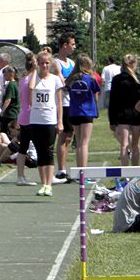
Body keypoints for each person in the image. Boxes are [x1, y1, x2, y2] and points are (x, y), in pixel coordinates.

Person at [27, 49, 63, 196]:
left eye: (47, 63)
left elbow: (59, 102)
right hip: (35, 119)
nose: (44, 66)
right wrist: (35, 69)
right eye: (42, 63)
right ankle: (43, 183)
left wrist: (60, 121)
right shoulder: (34, 78)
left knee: (48, 151)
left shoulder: (55, 80)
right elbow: (30, 89)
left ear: (51, 64)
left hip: (49, 119)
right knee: (39, 151)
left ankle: (49, 184)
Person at [109, 54, 140, 166]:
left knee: (124, 144)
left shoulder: (117, 79)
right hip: (137, 114)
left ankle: (125, 173)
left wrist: (112, 120)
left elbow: (113, 101)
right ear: (133, 64)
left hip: (122, 115)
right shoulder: (139, 78)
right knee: (135, 145)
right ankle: (135, 172)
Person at [65, 54, 100, 171]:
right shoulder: (90, 79)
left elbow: (67, 90)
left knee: (79, 142)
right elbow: (96, 95)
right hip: (87, 112)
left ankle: (79, 170)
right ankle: (83, 172)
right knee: (84, 143)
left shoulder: (71, 79)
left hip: (74, 112)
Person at [51, 33, 76, 181]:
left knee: (69, 138)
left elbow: (76, 79)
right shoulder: (56, 63)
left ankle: (63, 168)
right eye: (72, 44)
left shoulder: (72, 63)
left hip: (72, 103)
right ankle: (61, 169)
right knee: (63, 137)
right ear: (64, 45)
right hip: (62, 103)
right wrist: (70, 83)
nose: (74, 47)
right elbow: (64, 84)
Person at [16, 52, 38, 186]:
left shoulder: (23, 78)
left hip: (23, 115)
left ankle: (20, 176)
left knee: (23, 148)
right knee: (41, 146)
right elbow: (31, 88)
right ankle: (46, 174)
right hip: (30, 115)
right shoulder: (31, 76)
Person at [0, 66, 19, 136]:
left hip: (9, 113)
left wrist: (2, 111)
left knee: (4, 133)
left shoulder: (11, 85)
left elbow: (8, 99)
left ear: (11, 74)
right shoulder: (15, 83)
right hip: (14, 113)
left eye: (5, 74)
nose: (4, 76)